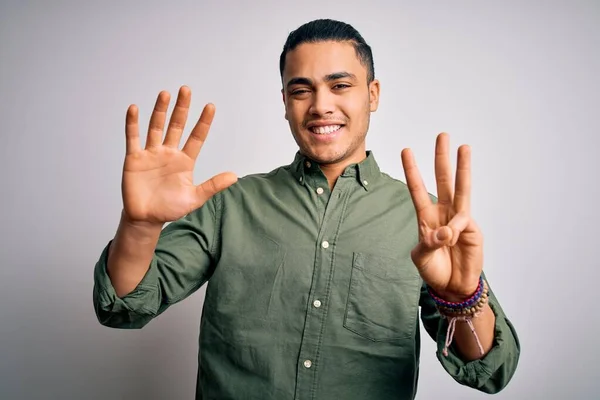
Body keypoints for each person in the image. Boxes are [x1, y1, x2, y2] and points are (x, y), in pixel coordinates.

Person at [93, 18, 520, 400]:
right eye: (302, 90)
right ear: (284, 102)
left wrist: (462, 298)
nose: (320, 105)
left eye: (340, 85)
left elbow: (489, 371)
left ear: (372, 94)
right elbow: (122, 306)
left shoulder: (427, 221)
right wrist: (140, 224)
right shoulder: (231, 204)